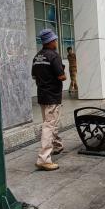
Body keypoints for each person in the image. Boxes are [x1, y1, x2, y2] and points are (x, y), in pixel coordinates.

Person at [31, 29, 66, 171]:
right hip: (53, 95)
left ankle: (57, 145)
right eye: (55, 40)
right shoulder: (54, 56)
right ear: (50, 42)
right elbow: (62, 77)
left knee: (50, 122)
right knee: (49, 125)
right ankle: (44, 159)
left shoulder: (37, 57)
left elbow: (34, 76)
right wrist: (62, 72)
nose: (56, 42)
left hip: (42, 95)